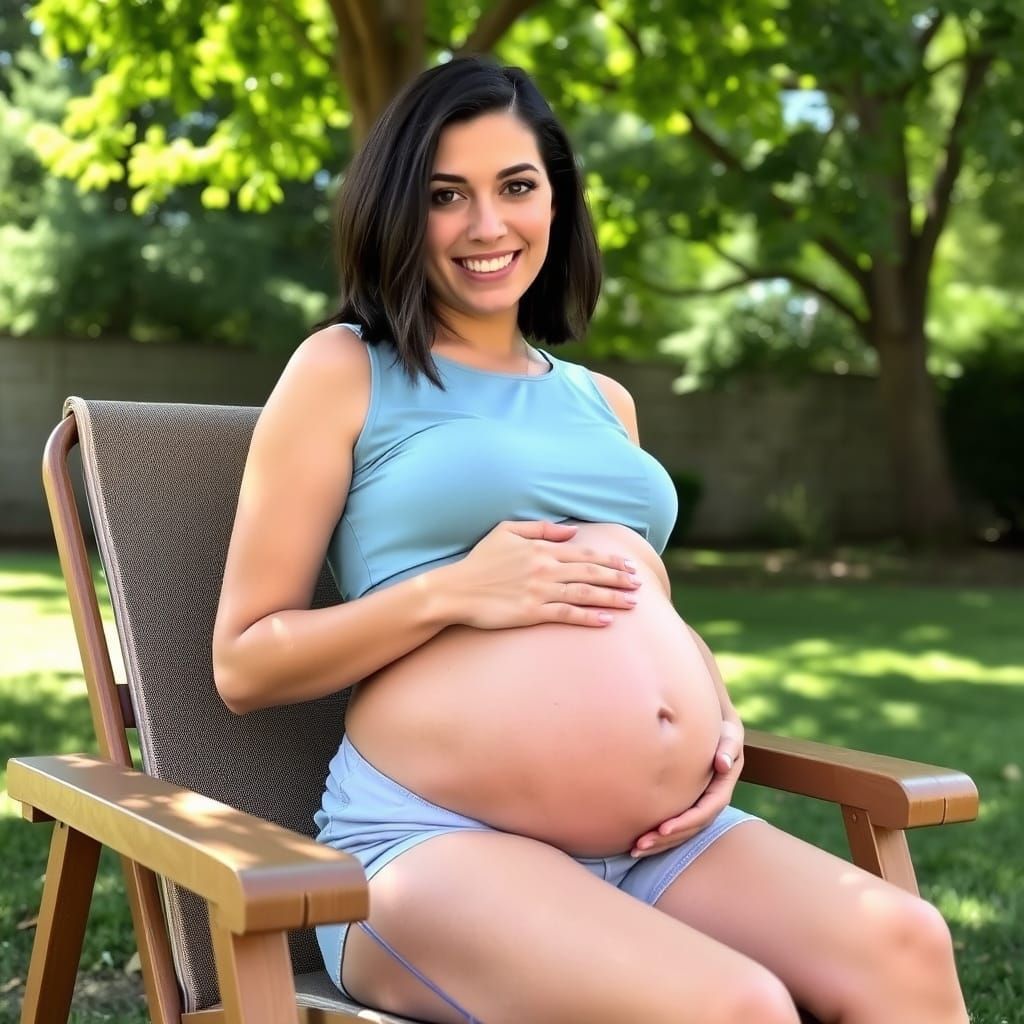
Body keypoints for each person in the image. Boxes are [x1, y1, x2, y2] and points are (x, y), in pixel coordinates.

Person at [212, 56, 969, 1024]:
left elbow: (637, 596)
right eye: (447, 195)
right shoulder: (343, 368)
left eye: (516, 186)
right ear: (398, 211)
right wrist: (452, 590)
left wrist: (709, 703)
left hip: (664, 840)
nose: (488, 226)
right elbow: (244, 662)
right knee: (733, 1007)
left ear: (557, 203)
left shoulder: (601, 399)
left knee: (904, 940)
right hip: (434, 844)